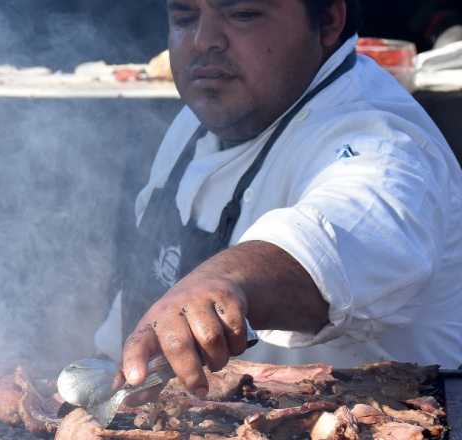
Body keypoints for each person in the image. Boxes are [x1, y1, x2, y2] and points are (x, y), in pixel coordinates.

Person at [93, 0, 462, 398]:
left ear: (328, 21)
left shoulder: (387, 147)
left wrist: (220, 283)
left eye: (242, 14)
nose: (204, 41)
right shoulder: (195, 124)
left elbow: (341, 235)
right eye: (184, 17)